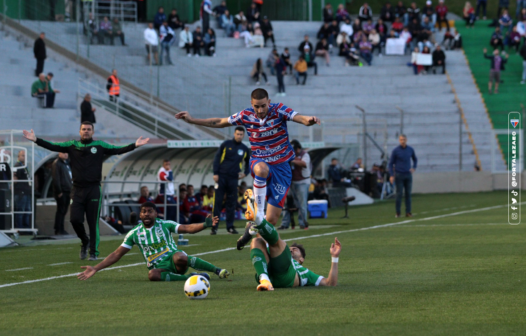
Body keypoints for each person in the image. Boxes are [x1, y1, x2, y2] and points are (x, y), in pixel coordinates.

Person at [175, 89, 320, 236]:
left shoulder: (279, 110)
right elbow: (220, 121)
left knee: (271, 221)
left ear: (269, 102)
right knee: (262, 170)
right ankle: (257, 213)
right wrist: (192, 120)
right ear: (251, 104)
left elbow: (299, 117)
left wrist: (309, 121)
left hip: (281, 168)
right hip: (259, 160)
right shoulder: (246, 115)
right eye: (256, 106)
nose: (260, 109)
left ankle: (254, 235)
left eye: (263, 105)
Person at [22, 123, 149, 260]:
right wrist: (36, 140)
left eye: (89, 129)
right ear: (80, 131)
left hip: (93, 189)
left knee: (92, 222)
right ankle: (85, 241)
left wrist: (134, 145)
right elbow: (54, 146)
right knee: (74, 220)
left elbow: (117, 150)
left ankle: (93, 252)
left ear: (93, 131)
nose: (86, 131)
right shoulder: (72, 145)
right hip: (77, 190)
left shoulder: (100, 145)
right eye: (84, 129)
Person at [78, 202, 231, 282]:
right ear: (140, 214)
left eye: (150, 211)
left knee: (180, 257)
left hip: (174, 261)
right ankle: (193, 277)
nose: (146, 214)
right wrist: (96, 268)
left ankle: (217, 270)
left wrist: (204, 225)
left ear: (155, 213)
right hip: (159, 267)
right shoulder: (134, 233)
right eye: (144, 211)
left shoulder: (165, 224)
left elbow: (187, 228)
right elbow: (117, 254)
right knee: (152, 275)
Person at [243, 219, 340, 290]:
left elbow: (330, 283)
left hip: (286, 277)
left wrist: (335, 257)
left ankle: (258, 219)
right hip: (269, 273)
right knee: (256, 241)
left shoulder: (305, 272)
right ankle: (264, 279)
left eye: (295, 249)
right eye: (291, 248)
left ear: (302, 259)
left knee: (277, 242)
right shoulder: (280, 253)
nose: (291, 250)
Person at [210, 127, 250, 235]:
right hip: (221, 177)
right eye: (238, 134)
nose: (239, 136)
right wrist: (215, 173)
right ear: (234, 134)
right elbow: (217, 159)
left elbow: (248, 162)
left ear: (243, 135)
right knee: (217, 202)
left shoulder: (244, 149)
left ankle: (230, 227)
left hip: (233, 178)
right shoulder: (226, 144)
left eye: (241, 134)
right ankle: (214, 227)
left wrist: (245, 173)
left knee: (231, 203)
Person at [278, 140, 310, 230]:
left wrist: (292, 160)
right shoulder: (288, 155)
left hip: (302, 182)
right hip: (290, 182)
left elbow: (304, 164)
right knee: (287, 204)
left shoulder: (304, 154)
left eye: (293, 150)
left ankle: (302, 223)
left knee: (301, 204)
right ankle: (285, 223)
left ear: (298, 149)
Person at [388, 134, 417, 218]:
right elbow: (390, 164)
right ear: (399, 140)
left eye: (404, 139)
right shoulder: (396, 151)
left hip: (408, 174)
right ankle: (398, 212)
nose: (402, 141)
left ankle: (408, 212)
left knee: (408, 194)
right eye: (401, 140)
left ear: (406, 140)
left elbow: (415, 159)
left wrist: (414, 167)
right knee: (399, 194)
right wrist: (391, 175)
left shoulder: (410, 149)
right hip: (399, 175)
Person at [52, 152, 72, 235]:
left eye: (67, 153)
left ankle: (61, 228)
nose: (66, 154)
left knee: (64, 210)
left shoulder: (66, 163)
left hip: (67, 190)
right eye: (64, 153)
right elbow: (56, 178)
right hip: (62, 191)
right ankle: (58, 229)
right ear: (59, 153)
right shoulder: (57, 163)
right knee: (61, 210)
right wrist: (59, 191)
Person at [13, 151, 31, 230]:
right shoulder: (17, 166)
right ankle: (20, 229)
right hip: (21, 192)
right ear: (18, 157)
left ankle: (26, 228)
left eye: (25, 156)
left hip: (26, 192)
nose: (24, 157)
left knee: (27, 211)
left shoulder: (24, 166)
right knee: (20, 211)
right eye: (23, 155)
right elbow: (14, 178)